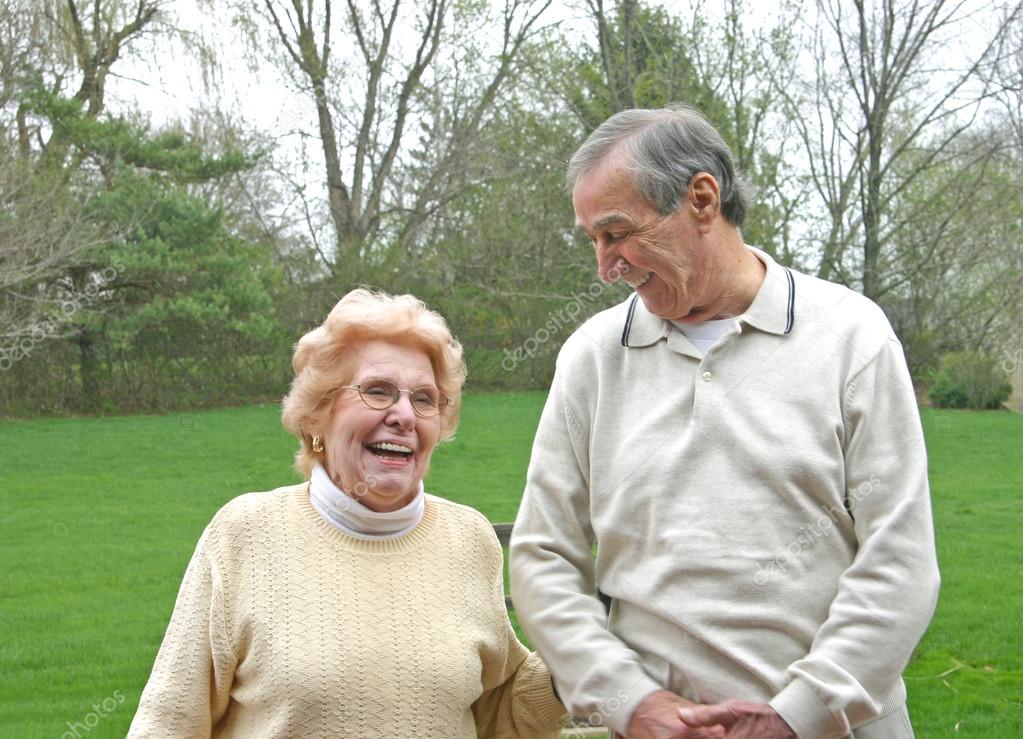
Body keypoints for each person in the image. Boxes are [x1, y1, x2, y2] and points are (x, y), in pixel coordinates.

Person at [509, 106, 940, 739]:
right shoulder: (593, 358)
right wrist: (633, 703)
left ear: (702, 198)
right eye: (594, 241)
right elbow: (544, 555)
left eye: (617, 233)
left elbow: (899, 557)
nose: (607, 267)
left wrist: (800, 715)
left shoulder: (851, 335)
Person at [129, 289, 568, 738]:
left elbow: (497, 717)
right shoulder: (245, 534)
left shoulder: (469, 538)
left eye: (424, 399)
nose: (404, 415)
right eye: (377, 391)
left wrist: (573, 661)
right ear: (320, 413)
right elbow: (169, 722)